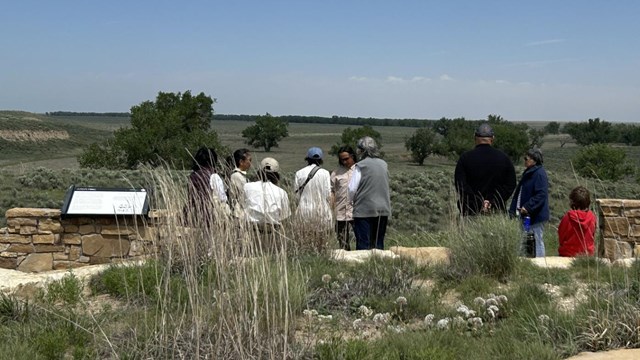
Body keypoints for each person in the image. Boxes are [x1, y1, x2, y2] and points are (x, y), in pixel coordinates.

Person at [454, 123, 516, 216]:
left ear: (475, 137)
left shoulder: (465, 158)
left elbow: (460, 185)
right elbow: (510, 184)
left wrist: (477, 201)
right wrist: (492, 201)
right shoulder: (504, 158)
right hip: (496, 213)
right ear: (492, 138)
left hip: (470, 212)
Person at [348, 137, 391, 250]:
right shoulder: (384, 164)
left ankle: (363, 267)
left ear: (361, 150)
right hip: (383, 208)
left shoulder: (360, 166)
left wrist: (351, 201)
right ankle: (378, 266)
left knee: (363, 244)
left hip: (364, 210)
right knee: (378, 243)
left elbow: (352, 189)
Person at [509, 148, 549, 257]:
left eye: (526, 159)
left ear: (534, 160)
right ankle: (526, 260)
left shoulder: (539, 174)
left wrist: (528, 206)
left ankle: (539, 262)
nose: (524, 161)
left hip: (535, 215)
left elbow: (541, 194)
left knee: (536, 239)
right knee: (525, 238)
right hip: (526, 215)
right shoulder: (530, 172)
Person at [185, 147, 228, 226]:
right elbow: (221, 198)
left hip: (196, 215)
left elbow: (191, 198)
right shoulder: (214, 176)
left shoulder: (193, 176)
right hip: (211, 216)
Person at [244, 157, 291, 227]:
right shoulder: (282, 192)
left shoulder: (247, 187)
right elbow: (284, 216)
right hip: (273, 229)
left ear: (259, 172)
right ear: (276, 175)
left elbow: (242, 206)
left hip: (251, 228)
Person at [294, 147, 332, 226]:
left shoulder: (299, 173)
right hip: (322, 211)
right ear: (321, 159)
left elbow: (296, 196)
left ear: (307, 159)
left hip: (304, 210)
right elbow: (328, 194)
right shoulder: (325, 173)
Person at [558, 186, 596, 257]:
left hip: (568, 252)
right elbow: (592, 236)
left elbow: (561, 236)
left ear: (572, 202)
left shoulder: (568, 217)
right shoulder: (592, 217)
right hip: (587, 253)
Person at [331, 145, 357, 250]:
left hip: (356, 211)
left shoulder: (359, 170)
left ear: (352, 156)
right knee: (342, 240)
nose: (345, 162)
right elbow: (332, 191)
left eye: (347, 159)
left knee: (361, 237)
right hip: (340, 212)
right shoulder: (336, 173)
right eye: (342, 160)